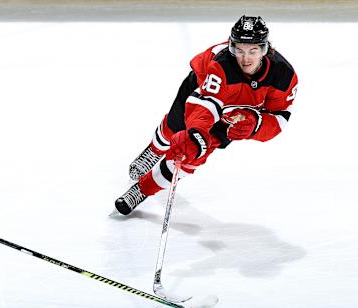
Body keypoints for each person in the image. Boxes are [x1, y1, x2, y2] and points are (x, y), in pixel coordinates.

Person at [115, 15, 298, 215]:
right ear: (231, 47)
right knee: (174, 128)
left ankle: (142, 189)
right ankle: (153, 151)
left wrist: (256, 124)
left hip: (233, 115)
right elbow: (206, 105)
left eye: (253, 51)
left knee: (194, 155)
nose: (245, 59)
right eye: (239, 50)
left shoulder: (284, 74)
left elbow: (279, 117)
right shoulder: (221, 65)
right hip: (199, 92)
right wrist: (195, 132)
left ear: (265, 49)